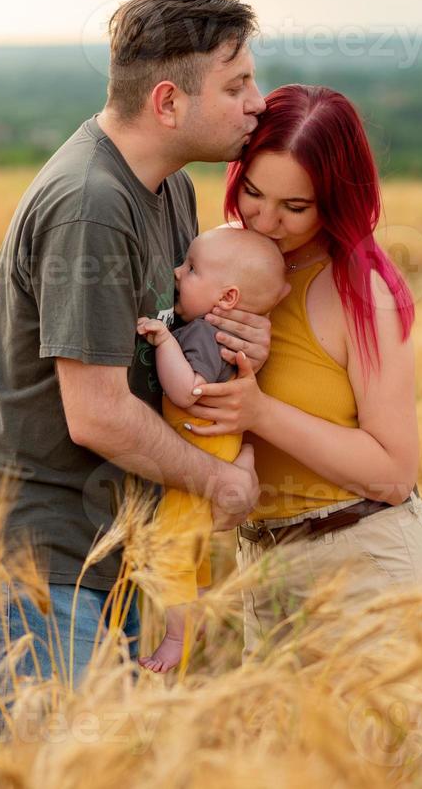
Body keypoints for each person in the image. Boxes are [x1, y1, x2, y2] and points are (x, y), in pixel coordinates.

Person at [0, 0, 275, 744]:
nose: (258, 102)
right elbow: (99, 413)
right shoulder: (91, 203)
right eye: (237, 84)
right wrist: (218, 480)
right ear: (168, 102)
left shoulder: (167, 189)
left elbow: (177, 356)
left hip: (106, 558)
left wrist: (243, 344)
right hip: (31, 567)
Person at [177, 83, 422, 662]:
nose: (265, 221)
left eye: (296, 208)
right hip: (264, 568)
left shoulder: (360, 291)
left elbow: (393, 471)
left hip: (373, 571)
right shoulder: (216, 268)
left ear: (335, 202)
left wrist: (260, 410)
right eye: (255, 193)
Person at [129, 226, 289, 673]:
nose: (178, 272)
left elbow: (189, 391)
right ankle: (194, 613)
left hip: (199, 449)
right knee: (190, 550)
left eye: (193, 268)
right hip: (215, 448)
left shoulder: (201, 334)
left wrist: (163, 343)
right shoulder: (216, 332)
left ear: (228, 298)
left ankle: (178, 637)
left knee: (168, 548)